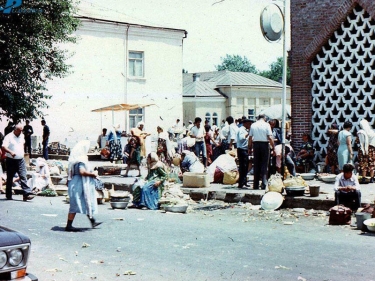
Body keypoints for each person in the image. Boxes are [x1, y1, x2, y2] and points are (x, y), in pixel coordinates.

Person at [65, 140, 102, 232]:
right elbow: (82, 172)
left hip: (76, 183)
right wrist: (92, 174)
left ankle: (93, 221)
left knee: (85, 202)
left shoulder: (75, 160)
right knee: (76, 204)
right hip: (78, 184)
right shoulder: (81, 160)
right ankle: (69, 225)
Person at [1, 124, 35, 201]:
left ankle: (26, 194)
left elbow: (22, 144)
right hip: (11, 160)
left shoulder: (22, 136)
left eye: (21, 131)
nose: (20, 132)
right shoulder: (8, 137)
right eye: (19, 131)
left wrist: (21, 152)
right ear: (15, 130)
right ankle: (8, 194)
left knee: (23, 176)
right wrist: (11, 152)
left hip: (20, 159)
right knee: (10, 177)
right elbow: (4, 146)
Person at [248, 114, 275, 190]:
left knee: (256, 164)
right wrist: (273, 147)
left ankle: (255, 184)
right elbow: (270, 137)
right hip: (264, 145)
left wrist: (249, 147)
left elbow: (250, 138)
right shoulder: (266, 125)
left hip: (256, 145)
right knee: (264, 164)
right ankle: (264, 183)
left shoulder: (253, 125)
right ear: (264, 118)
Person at [236, 119, 253, 189]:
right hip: (241, 149)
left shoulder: (245, 130)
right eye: (249, 124)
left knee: (246, 167)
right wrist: (248, 134)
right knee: (243, 166)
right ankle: (241, 183)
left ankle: (244, 181)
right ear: (245, 123)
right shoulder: (241, 130)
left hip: (245, 149)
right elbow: (241, 138)